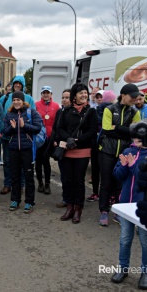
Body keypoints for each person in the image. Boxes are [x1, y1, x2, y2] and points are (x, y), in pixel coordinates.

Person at [110, 138, 147, 289]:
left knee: (145, 238)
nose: (137, 138)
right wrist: (124, 166)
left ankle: (146, 272)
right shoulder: (127, 151)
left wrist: (132, 165)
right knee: (125, 238)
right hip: (125, 204)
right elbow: (117, 174)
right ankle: (123, 268)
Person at [98, 84, 140, 226]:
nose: (135, 99)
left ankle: (118, 211)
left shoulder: (135, 112)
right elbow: (106, 130)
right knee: (106, 182)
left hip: (125, 151)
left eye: (136, 96)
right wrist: (126, 130)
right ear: (123, 95)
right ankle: (104, 211)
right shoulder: (109, 109)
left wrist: (118, 128)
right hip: (107, 151)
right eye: (132, 96)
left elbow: (135, 132)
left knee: (120, 183)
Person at [56, 83, 98, 224]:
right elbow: (59, 128)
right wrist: (68, 139)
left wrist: (77, 140)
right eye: (81, 93)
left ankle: (78, 209)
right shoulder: (65, 111)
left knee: (78, 181)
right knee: (67, 180)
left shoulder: (91, 112)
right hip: (67, 151)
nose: (84, 95)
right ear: (74, 96)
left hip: (82, 151)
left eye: (85, 93)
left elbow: (92, 131)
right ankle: (69, 206)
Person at [3, 91, 42, 213]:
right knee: (15, 176)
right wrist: (12, 128)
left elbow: (37, 128)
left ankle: (29, 202)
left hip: (27, 150)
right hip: (13, 149)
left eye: (18, 100)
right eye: (14, 100)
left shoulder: (31, 112)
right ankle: (15, 200)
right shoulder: (9, 114)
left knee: (28, 177)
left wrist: (25, 126)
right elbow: (5, 131)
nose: (16, 102)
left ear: (23, 100)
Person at [0, 75, 35, 195]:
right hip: (8, 136)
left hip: (24, 137)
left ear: (23, 85)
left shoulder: (29, 98)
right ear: (13, 84)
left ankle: (22, 185)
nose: (17, 85)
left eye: (20, 83)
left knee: (23, 164)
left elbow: (34, 117)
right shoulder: (4, 98)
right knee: (8, 162)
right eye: (15, 83)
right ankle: (8, 184)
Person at [34, 86, 60, 195]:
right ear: (41, 94)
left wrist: (56, 138)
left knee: (46, 162)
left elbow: (58, 123)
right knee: (38, 162)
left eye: (47, 93)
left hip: (50, 138)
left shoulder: (56, 106)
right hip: (39, 138)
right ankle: (40, 183)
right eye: (44, 93)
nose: (46, 95)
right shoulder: (36, 105)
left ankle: (47, 184)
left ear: (51, 94)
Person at [50, 89, 71, 208]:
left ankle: (72, 199)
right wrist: (54, 140)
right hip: (60, 147)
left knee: (71, 176)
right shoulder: (59, 111)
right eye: (63, 97)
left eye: (67, 97)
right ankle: (65, 198)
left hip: (70, 146)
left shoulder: (72, 112)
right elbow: (56, 127)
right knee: (63, 174)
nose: (64, 100)